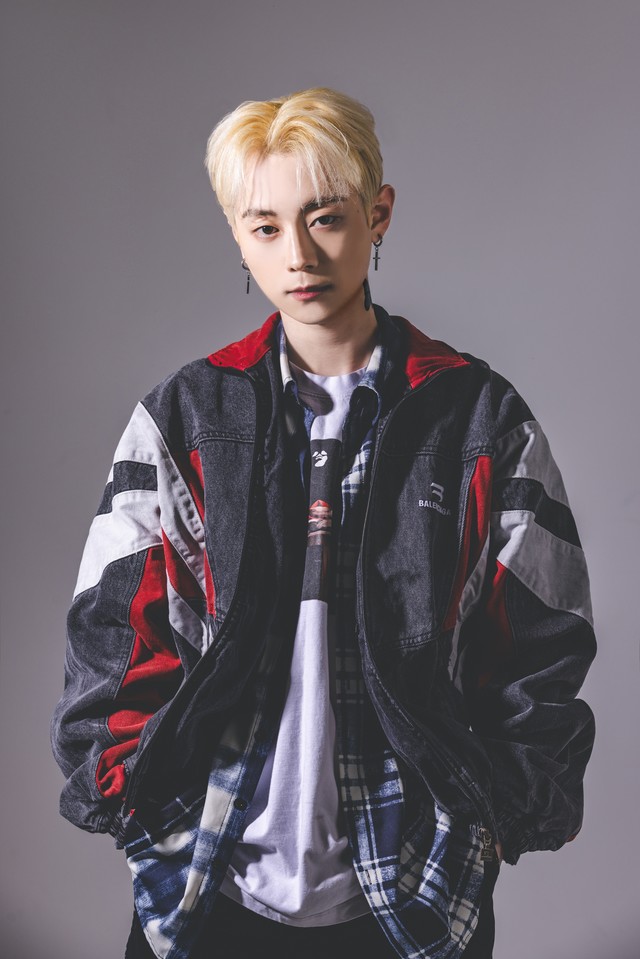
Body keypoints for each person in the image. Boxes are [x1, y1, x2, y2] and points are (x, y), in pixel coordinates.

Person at [51, 88, 596, 959]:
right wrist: (127, 796)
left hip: (416, 894)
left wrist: (505, 812)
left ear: (379, 215)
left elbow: (543, 632)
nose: (299, 255)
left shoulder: (476, 418)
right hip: (204, 881)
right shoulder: (187, 416)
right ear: (238, 237)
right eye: (265, 227)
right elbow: (113, 627)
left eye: (326, 219)